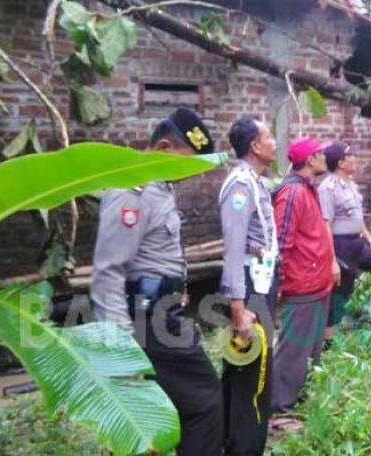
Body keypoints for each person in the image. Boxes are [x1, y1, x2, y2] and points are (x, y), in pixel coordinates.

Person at [90, 108, 222, 455]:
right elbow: (108, 272)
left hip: (162, 314)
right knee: (204, 400)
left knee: (170, 406)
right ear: (164, 148)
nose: (189, 174)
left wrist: (177, 287)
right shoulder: (131, 191)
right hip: (146, 322)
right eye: (187, 163)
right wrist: (120, 354)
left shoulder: (159, 187)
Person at [219, 116, 278, 455]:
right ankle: (245, 446)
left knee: (243, 368)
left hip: (260, 283)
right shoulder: (240, 185)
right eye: (269, 136)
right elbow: (233, 248)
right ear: (255, 146)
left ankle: (231, 439)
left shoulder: (255, 182)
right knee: (255, 374)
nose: (274, 142)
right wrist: (238, 309)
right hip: (250, 289)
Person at [270, 137, 338, 430]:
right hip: (301, 284)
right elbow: (282, 243)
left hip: (316, 283)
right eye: (321, 153)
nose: (325, 156)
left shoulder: (308, 189)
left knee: (310, 348)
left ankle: (299, 400)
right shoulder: (292, 193)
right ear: (310, 160)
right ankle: (279, 411)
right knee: (293, 349)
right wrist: (281, 284)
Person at [318, 141, 371, 341]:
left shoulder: (351, 184)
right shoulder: (327, 188)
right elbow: (325, 224)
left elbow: (357, 218)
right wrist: (331, 260)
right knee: (340, 293)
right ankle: (327, 345)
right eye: (351, 156)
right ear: (341, 163)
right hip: (341, 245)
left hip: (357, 241)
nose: (356, 159)